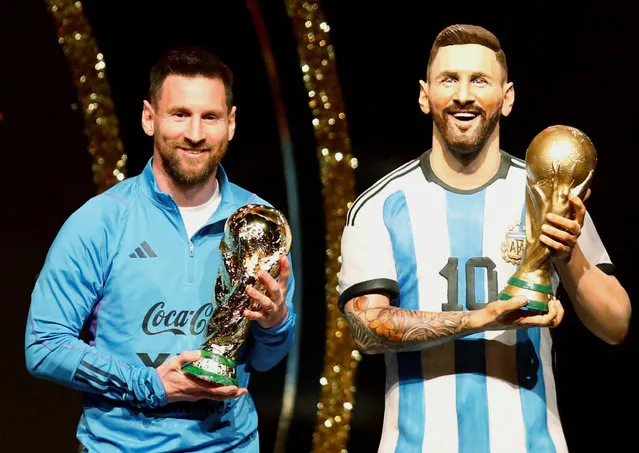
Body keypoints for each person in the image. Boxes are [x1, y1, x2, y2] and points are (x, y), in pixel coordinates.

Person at [337, 24, 631, 453]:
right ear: (424, 95)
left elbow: (616, 324)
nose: (463, 94)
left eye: (479, 80)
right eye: (448, 79)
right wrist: (481, 319)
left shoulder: (547, 191)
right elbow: (365, 329)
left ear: (506, 97)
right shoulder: (380, 204)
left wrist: (569, 258)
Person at [25, 45, 296, 452]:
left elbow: (264, 361)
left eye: (210, 117)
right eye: (180, 114)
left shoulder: (259, 222)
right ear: (149, 118)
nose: (195, 133)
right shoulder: (100, 220)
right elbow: (44, 345)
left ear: (231, 123)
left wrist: (275, 322)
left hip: (228, 444)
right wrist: (150, 385)